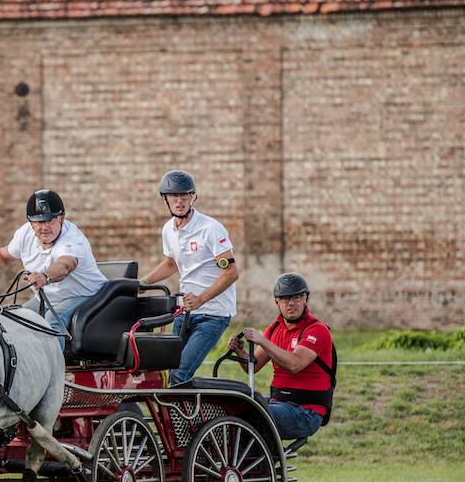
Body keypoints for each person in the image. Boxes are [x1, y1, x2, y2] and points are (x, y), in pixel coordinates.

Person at [0, 189, 106, 349]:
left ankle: (54, 365)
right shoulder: (25, 234)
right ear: (31, 222)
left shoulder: (73, 240)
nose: (45, 227)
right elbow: (3, 256)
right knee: (15, 319)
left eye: (50, 220)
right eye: (39, 222)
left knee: (51, 322)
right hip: (48, 298)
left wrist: (45, 276)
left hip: (86, 295)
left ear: (61, 218)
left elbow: (65, 265)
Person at [141, 170, 239, 384]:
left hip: (213, 313)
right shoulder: (168, 230)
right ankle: (178, 406)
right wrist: (143, 283)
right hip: (184, 311)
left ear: (193, 196)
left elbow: (231, 272)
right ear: (165, 199)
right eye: (174, 196)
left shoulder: (210, 228)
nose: (180, 201)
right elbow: (171, 264)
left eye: (185, 195)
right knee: (168, 372)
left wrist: (201, 299)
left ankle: (188, 407)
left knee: (180, 374)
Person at [228, 273, 336, 440]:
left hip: (306, 412)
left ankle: (250, 454)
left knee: (253, 416)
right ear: (277, 302)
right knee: (232, 410)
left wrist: (263, 341)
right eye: (285, 299)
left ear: (306, 299)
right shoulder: (275, 328)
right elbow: (253, 366)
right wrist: (239, 351)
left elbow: (295, 364)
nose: (291, 303)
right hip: (278, 403)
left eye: (297, 297)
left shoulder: (317, 330)